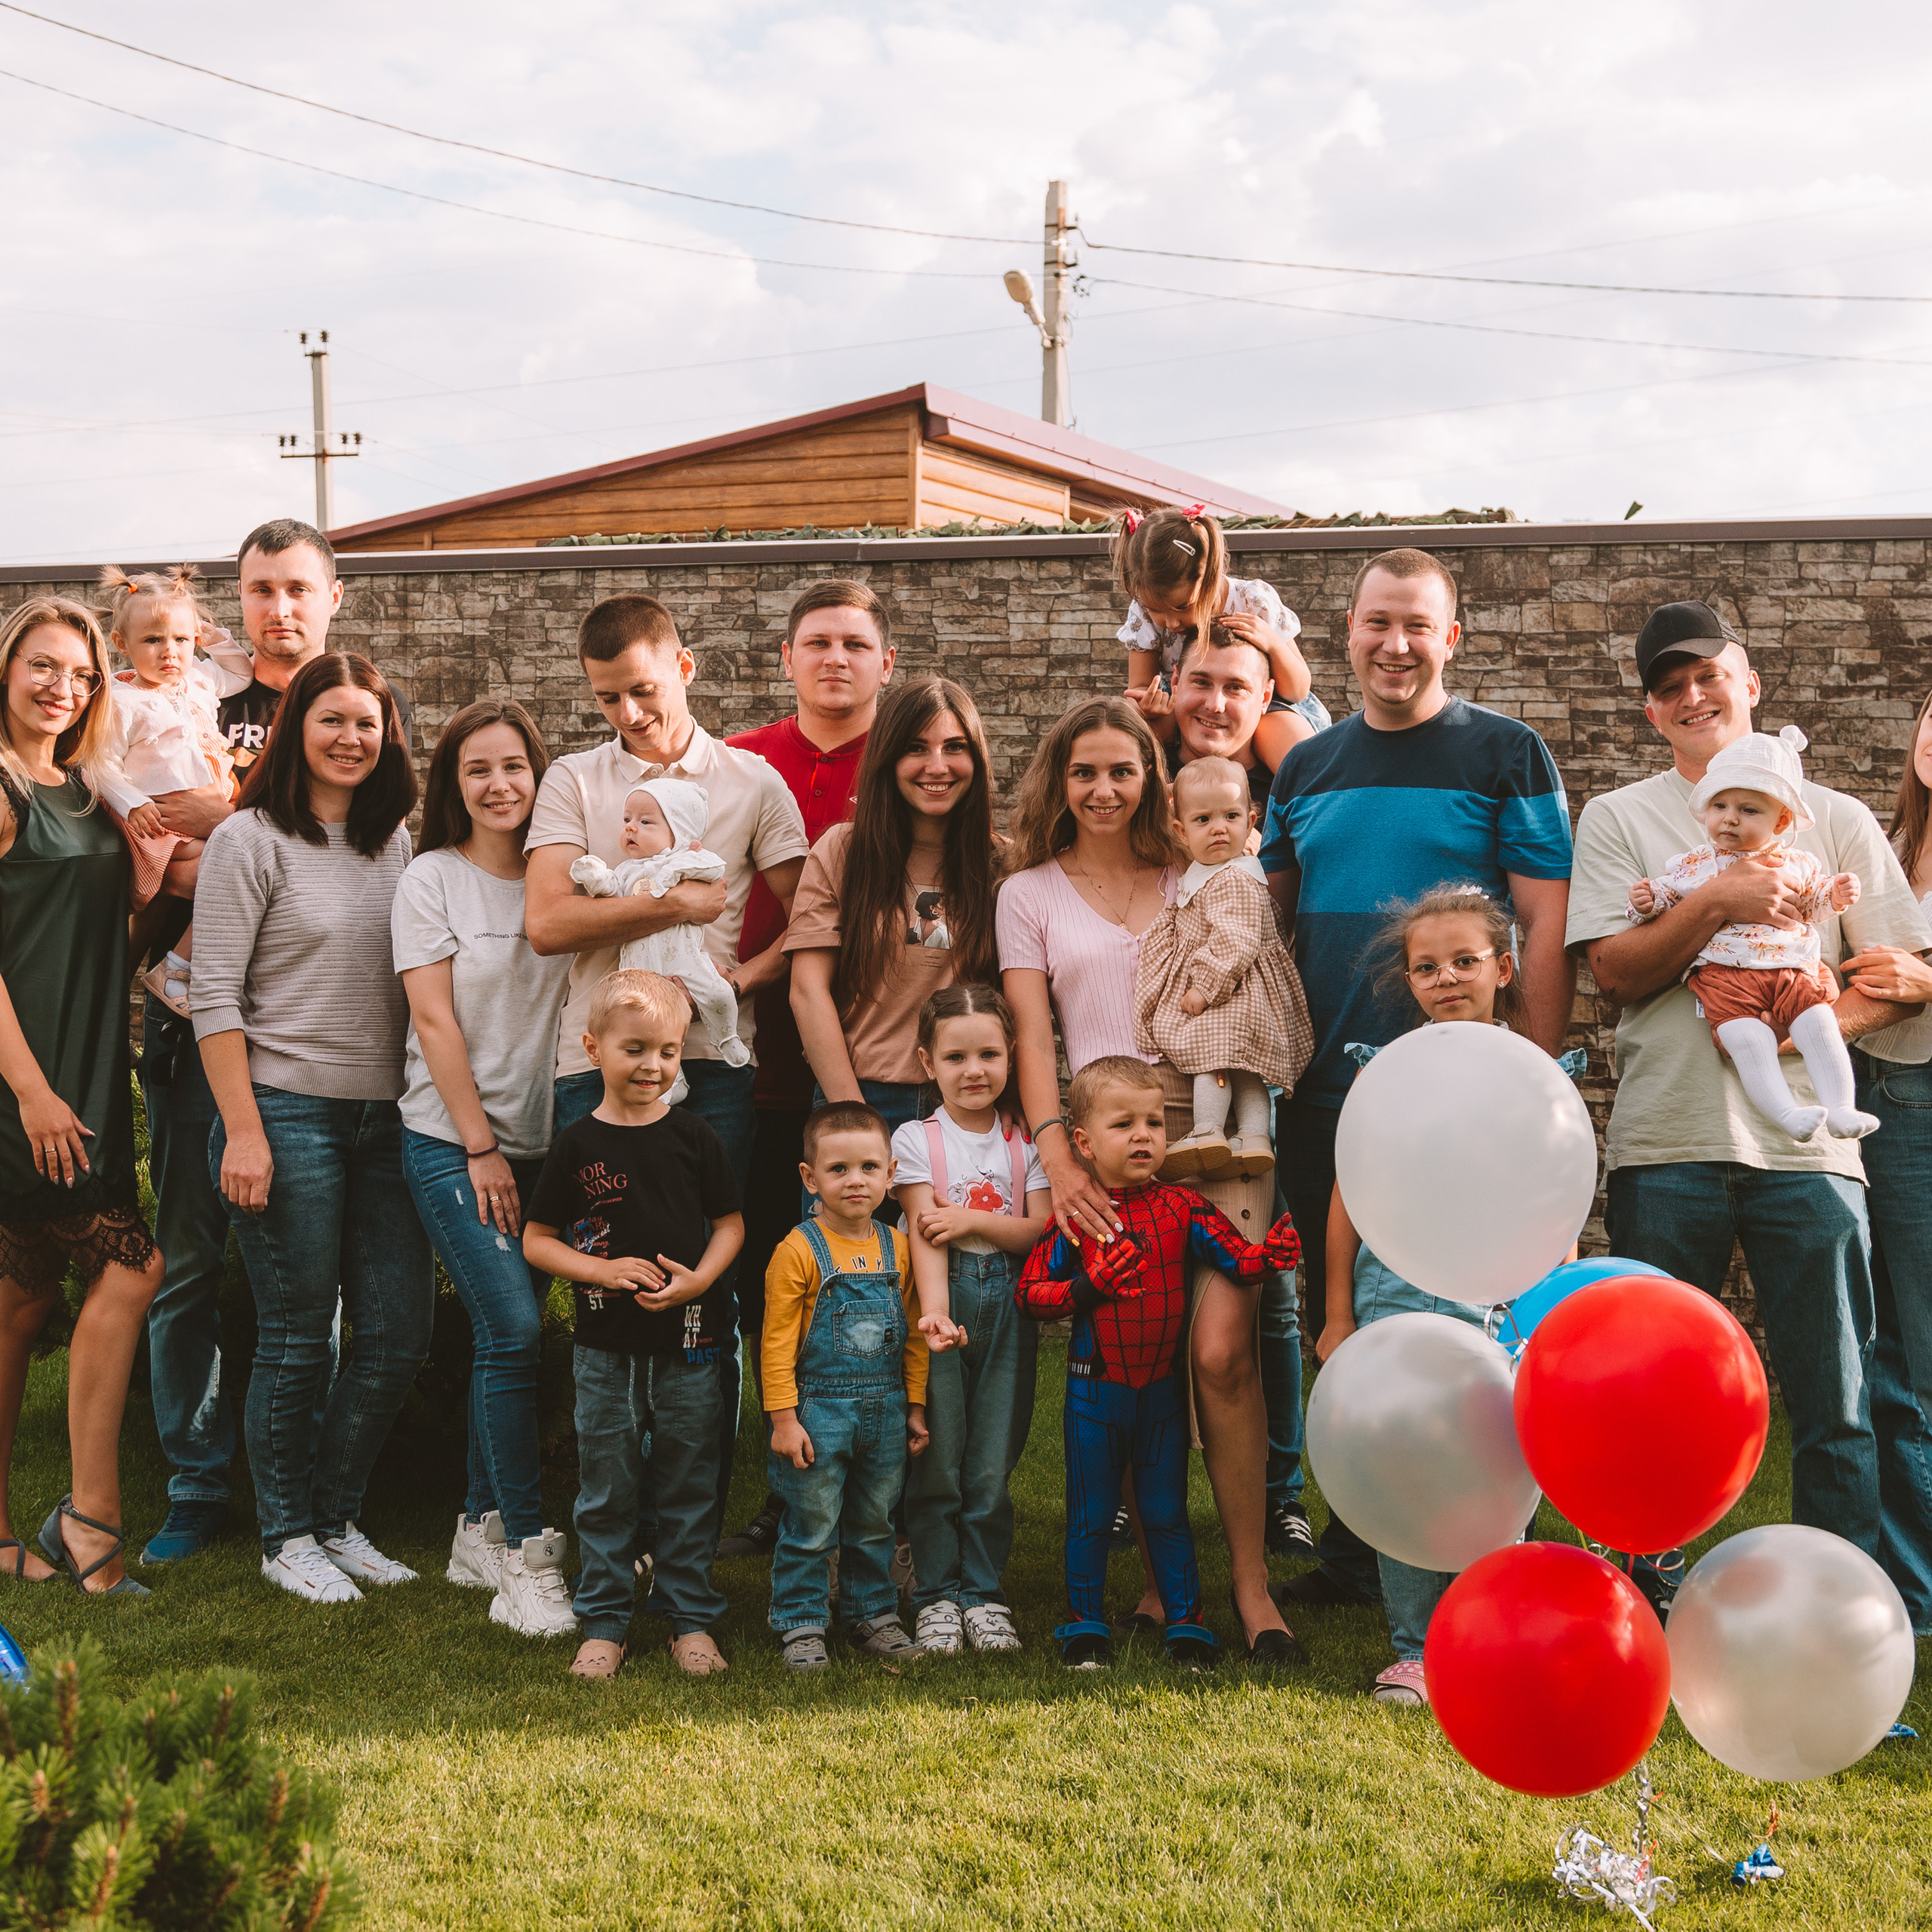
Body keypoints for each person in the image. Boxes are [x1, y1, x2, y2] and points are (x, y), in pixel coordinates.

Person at [1566, 599, 1932, 1585]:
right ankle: (1650, 1599)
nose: (1692, 696)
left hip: (1812, 1154)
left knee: (1838, 1403)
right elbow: (1617, 974)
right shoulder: (1620, 818)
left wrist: (1809, 1030)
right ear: (1651, 712)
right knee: (1655, 1398)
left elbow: (1902, 977)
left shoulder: (1840, 820)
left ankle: (1841, 1623)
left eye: (1708, 675)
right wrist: (1719, 899)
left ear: (1751, 682)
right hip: (1667, 1148)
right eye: (1669, 686)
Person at [1263, 546, 1576, 1614]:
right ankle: (1362, 1545)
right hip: (1332, 1091)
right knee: (1345, 1321)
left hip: (1466, 1103)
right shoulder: (1304, 768)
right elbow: (1279, 918)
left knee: (1471, 1324)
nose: (1395, 644)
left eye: (1418, 626)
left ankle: (1476, 1531)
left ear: (1453, 637)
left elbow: (1541, 919)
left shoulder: (1507, 753)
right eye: (1376, 623)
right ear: (1345, 632)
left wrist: (1527, 1077)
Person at [998, 697, 1302, 1660]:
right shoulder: (1030, 893)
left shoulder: (1197, 867)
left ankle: (1251, 1587)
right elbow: (1029, 1035)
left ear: (1154, 787)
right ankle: (1155, 1583)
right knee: (1138, 1350)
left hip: (1213, 1116)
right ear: (1062, 779)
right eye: (1084, 771)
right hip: (1104, 1136)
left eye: (1121, 772)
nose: (1101, 789)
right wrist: (1056, 1153)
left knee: (1220, 1349)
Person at [137, 515, 412, 1567]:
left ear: (331, 596)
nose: (279, 607)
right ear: (236, 601)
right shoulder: (188, 699)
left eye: (298, 588)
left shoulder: (367, 739)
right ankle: (205, 1491)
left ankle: (313, 1507)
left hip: (350, 1073)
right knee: (198, 1267)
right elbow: (157, 840)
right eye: (260, 590)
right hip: (206, 1036)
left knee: (336, 1305)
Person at [525, 591, 808, 1538]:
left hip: (709, 1072)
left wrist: (741, 972)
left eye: (642, 690)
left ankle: (690, 1522)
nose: (629, 715)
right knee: (603, 1279)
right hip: (590, 1060)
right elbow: (548, 923)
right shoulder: (572, 780)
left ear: (684, 667)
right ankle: (613, 1514)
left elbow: (808, 919)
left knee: (699, 1287)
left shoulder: (752, 782)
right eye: (608, 699)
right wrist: (670, 909)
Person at [194, 650, 432, 1605]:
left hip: (391, 1119)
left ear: (388, 739)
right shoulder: (249, 839)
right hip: (284, 1109)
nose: (350, 738)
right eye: (330, 719)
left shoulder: (400, 843)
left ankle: (335, 1518)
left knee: (396, 1334)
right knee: (301, 1338)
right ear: (296, 728)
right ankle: (286, 1534)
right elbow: (212, 995)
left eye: (367, 724)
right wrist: (243, 1132)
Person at [1316, 886, 1583, 1705]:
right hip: (1396, 1293)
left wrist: (1554, 1307)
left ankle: (1491, 1628)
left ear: (1504, 967)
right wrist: (1333, 1310)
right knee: (1411, 1461)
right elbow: (1348, 1195)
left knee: (1500, 1459)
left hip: (1503, 1297)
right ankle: (1416, 1646)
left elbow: (1560, 1191)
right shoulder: (1390, 1073)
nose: (1446, 978)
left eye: (1464, 961)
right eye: (1426, 967)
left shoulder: (1534, 1078)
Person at [1016, 1057, 1303, 1672]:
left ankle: (1189, 1624)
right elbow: (1031, 1294)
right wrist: (1088, 1288)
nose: (1144, 1135)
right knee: (1091, 1512)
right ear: (1084, 1144)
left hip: (1161, 1393)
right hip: (1095, 1393)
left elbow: (1236, 1260)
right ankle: (1084, 1626)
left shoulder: (1182, 1208)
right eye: (1125, 1124)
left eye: (1154, 1122)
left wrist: (1270, 1255)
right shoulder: (1081, 1221)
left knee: (1166, 1509)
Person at [720, 580, 895, 1560]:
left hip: (866, 1071)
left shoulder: (909, 763)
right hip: (750, 1066)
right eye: (818, 643)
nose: (836, 659)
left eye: (855, 644)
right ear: (787, 658)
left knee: (865, 1290)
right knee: (765, 1293)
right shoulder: (741, 764)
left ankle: (875, 1493)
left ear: (885, 662)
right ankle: (786, 1487)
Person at [394, 699, 575, 1637]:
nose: (500, 784)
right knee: (511, 1330)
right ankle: (524, 1553)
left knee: (514, 1335)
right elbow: (433, 1021)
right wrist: (480, 1147)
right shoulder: (433, 879)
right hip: (450, 1139)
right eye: (478, 770)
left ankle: (476, 1522)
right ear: (452, 785)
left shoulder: (568, 878)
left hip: (555, 1144)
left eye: (515, 765)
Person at [0, 596, 164, 1596]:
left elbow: (94, 939)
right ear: (5, 666)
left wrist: (141, 891)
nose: (64, 687)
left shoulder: (79, 786)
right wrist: (29, 1092)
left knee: (18, 1302)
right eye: (44, 666)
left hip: (86, 1063)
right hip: (28, 1082)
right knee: (134, 1269)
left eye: (82, 673)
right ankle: (90, 1524)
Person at [525, 970, 745, 1680]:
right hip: (605, 1350)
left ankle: (689, 1618)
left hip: (689, 1344)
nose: (653, 1066)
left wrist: (702, 1280)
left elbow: (730, 1226)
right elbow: (539, 1239)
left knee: (688, 1482)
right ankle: (606, 1622)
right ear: (593, 1049)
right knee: (608, 1488)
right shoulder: (577, 1145)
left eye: (669, 1051)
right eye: (636, 1049)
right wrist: (603, 1270)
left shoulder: (696, 1137)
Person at [1166, 621, 1322, 1556]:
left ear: (1267, 697)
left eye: (1237, 684)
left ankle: (1280, 1486)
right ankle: (1149, 1484)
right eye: (1199, 681)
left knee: (1271, 1288)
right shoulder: (1156, 784)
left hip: (1263, 1037)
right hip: (1181, 1052)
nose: (1216, 702)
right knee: (1163, 1283)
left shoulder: (1297, 783)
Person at [892, 985, 1051, 1655]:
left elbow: (1039, 1229)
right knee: (940, 1460)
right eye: (956, 1057)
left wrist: (975, 1221)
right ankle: (936, 1594)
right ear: (929, 1063)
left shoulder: (1025, 1144)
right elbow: (926, 1232)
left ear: (1011, 1055)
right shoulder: (915, 1139)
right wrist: (932, 1313)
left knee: (990, 1462)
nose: (974, 1070)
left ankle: (982, 1594)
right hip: (942, 1303)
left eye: (988, 1053)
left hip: (1009, 1305)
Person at [1626, 726, 1873, 1143]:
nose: (1730, 818)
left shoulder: (1799, 864)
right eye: (1719, 805)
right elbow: (1666, 899)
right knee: (1747, 1040)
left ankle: (1841, 1108)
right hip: (1725, 979)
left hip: (1793, 972)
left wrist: (1835, 895)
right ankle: (1785, 1114)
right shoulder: (1694, 864)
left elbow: (1811, 907)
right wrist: (1644, 902)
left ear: (1781, 819)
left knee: (1820, 1025)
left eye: (1749, 810)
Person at [787, 677, 998, 1141]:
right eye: (916, 748)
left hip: (971, 1106)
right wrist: (851, 1114)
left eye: (956, 747)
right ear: (888, 758)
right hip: (861, 1095)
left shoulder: (1002, 864)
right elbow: (807, 991)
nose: (937, 766)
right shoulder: (843, 851)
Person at [762, 1101, 928, 1672]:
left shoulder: (899, 1249)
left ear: (889, 1174)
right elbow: (777, 1344)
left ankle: (871, 1612)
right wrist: (784, 1419)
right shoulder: (798, 1250)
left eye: (868, 1168)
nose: (855, 1181)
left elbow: (911, 1338)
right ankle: (801, 1620)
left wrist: (915, 1404)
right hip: (818, 1412)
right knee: (811, 1522)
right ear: (810, 1178)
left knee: (873, 1520)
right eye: (838, 1170)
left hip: (885, 1407)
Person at [1841, 684, 1932, 1626]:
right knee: (1883, 1367)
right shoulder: (1886, 848)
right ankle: (1911, 1589)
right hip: (1864, 1103)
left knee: (1921, 1369)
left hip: (1924, 1110)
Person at [1134, 756, 1312, 1177]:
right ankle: (1253, 1138)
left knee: (1208, 1058)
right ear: (1182, 831)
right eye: (1204, 819)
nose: (1219, 828)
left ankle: (1207, 1129)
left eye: (1232, 816)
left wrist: (1204, 987)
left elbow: (1237, 941)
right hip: (1249, 995)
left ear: (1251, 821)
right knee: (1245, 1067)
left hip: (1231, 991)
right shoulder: (1216, 874)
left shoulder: (1232, 878)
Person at [93, 565, 254, 1014]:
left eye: (181, 640)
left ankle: (171, 966)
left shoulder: (199, 680)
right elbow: (100, 764)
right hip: (161, 822)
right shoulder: (125, 701)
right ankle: (177, 968)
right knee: (231, 878)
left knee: (237, 875)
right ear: (122, 644)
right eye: (153, 640)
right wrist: (133, 802)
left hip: (206, 813)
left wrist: (211, 635)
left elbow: (240, 673)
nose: (170, 652)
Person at [1114, 506, 1329, 769]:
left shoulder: (1253, 601)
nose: (1171, 623)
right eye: (1156, 609)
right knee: (1133, 729)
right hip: (1181, 699)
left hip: (1256, 703)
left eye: (1182, 607)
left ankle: (1306, 800)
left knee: (1292, 747)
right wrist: (1150, 705)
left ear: (1210, 579)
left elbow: (1297, 689)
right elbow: (1138, 688)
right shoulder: (1142, 614)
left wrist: (1272, 643)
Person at [570, 778, 749, 1069]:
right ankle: (670, 1082)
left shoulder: (687, 858)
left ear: (678, 831)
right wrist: (595, 876)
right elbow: (612, 891)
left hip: (688, 962)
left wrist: (675, 871)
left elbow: (713, 869)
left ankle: (726, 1035)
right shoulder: (627, 870)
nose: (630, 827)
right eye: (627, 819)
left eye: (645, 822)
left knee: (718, 993)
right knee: (643, 1026)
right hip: (641, 970)